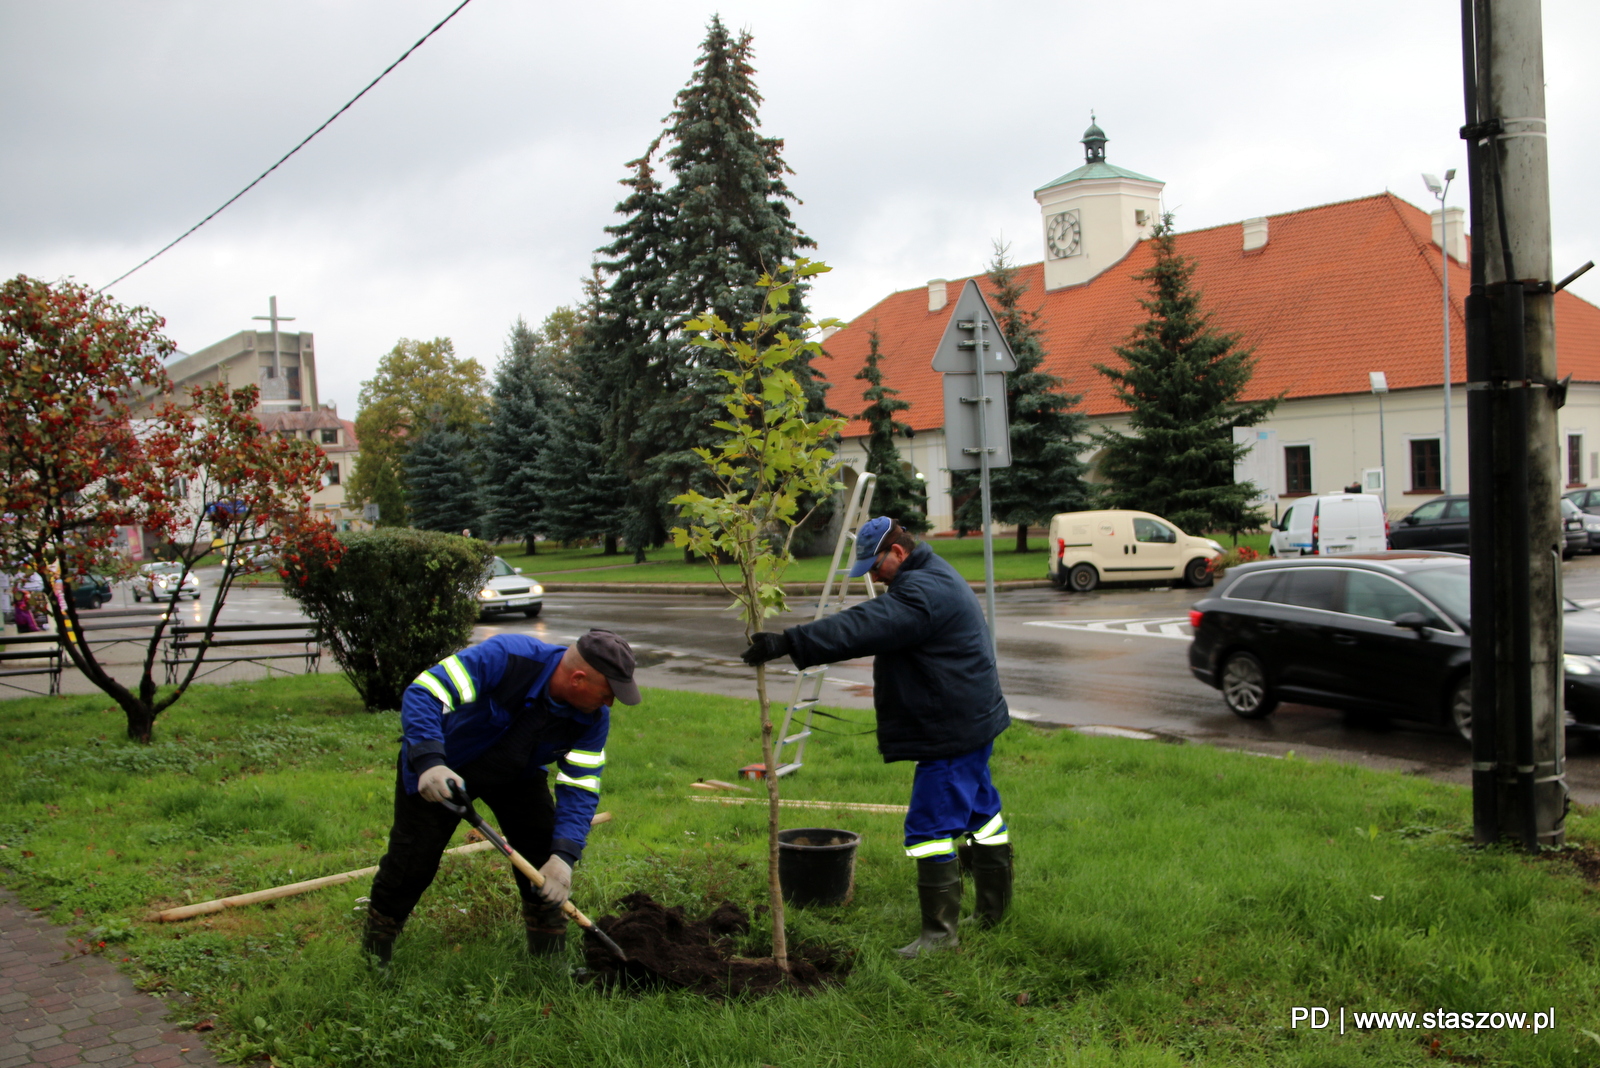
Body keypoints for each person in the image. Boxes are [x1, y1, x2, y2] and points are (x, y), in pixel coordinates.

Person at [742, 516, 1012, 957]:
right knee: (983, 815)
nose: (872, 575)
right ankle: (993, 910)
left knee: (930, 826)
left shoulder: (922, 593)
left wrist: (788, 642)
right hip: (971, 721)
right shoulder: (933, 574)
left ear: (899, 553)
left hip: (951, 731)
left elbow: (864, 625)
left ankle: (940, 938)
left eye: (875, 565)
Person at [362, 629, 641, 965]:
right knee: (412, 862)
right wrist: (429, 761)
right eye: (608, 693)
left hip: (517, 773)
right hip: (445, 768)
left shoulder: (593, 717)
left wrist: (564, 857)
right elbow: (426, 692)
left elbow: (580, 785)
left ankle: (548, 960)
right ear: (578, 679)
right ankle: (375, 952)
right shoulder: (508, 658)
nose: (609, 703)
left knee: (542, 853)